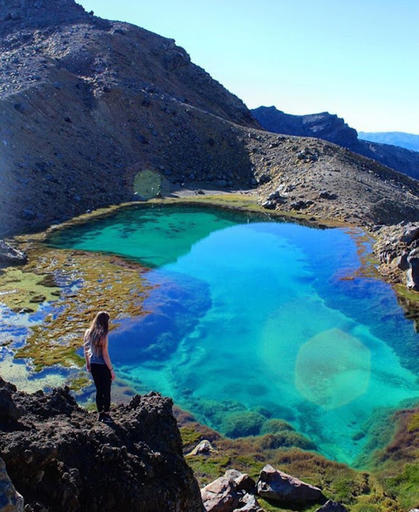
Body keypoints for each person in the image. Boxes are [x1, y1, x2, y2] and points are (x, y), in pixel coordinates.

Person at [84, 311, 115, 422]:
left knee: (99, 390)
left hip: (94, 365)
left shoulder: (87, 333)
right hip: (103, 366)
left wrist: (88, 364)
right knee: (106, 390)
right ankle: (106, 414)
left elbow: (86, 350)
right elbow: (105, 355)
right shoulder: (104, 336)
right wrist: (111, 370)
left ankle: (100, 414)